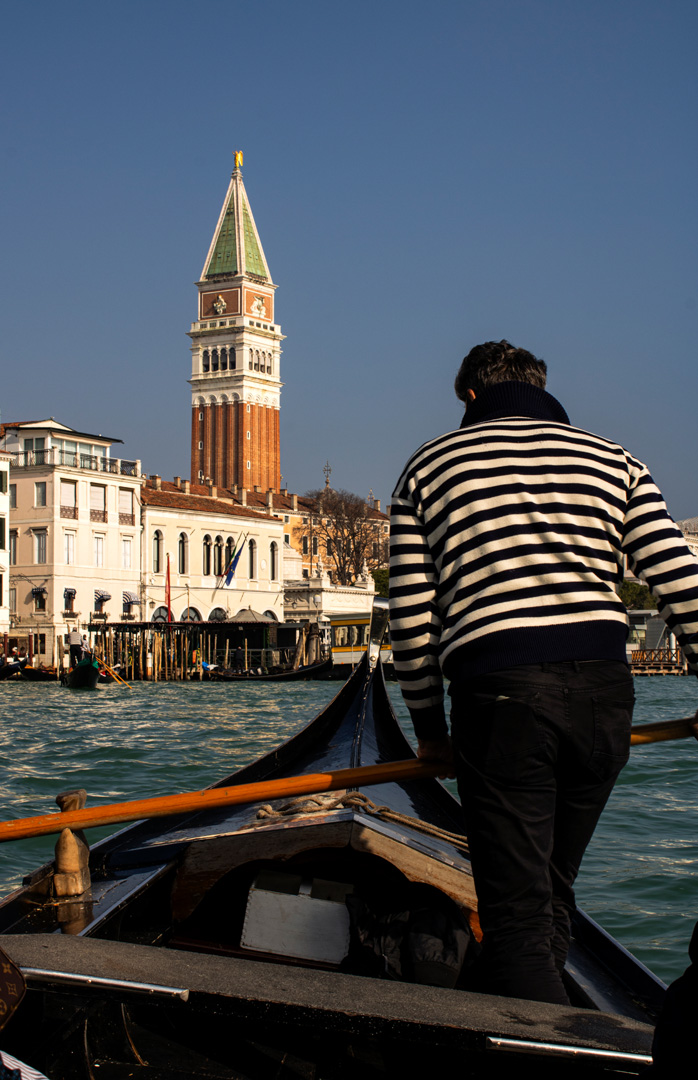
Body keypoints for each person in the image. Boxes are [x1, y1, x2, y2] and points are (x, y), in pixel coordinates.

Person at [389, 339, 698, 1006]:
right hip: (604, 701)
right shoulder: (614, 459)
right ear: (542, 387)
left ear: (470, 396)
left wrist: (430, 732)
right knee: (553, 891)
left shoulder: (429, 466)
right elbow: (681, 580)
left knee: (517, 924)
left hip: (502, 700)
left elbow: (413, 628)